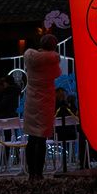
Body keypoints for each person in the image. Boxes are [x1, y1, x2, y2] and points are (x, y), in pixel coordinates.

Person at [23, 34, 61, 178]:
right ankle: (39, 173)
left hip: (32, 100)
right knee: (42, 139)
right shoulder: (52, 61)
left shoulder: (30, 58)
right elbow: (57, 73)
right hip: (45, 101)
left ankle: (31, 173)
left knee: (31, 139)